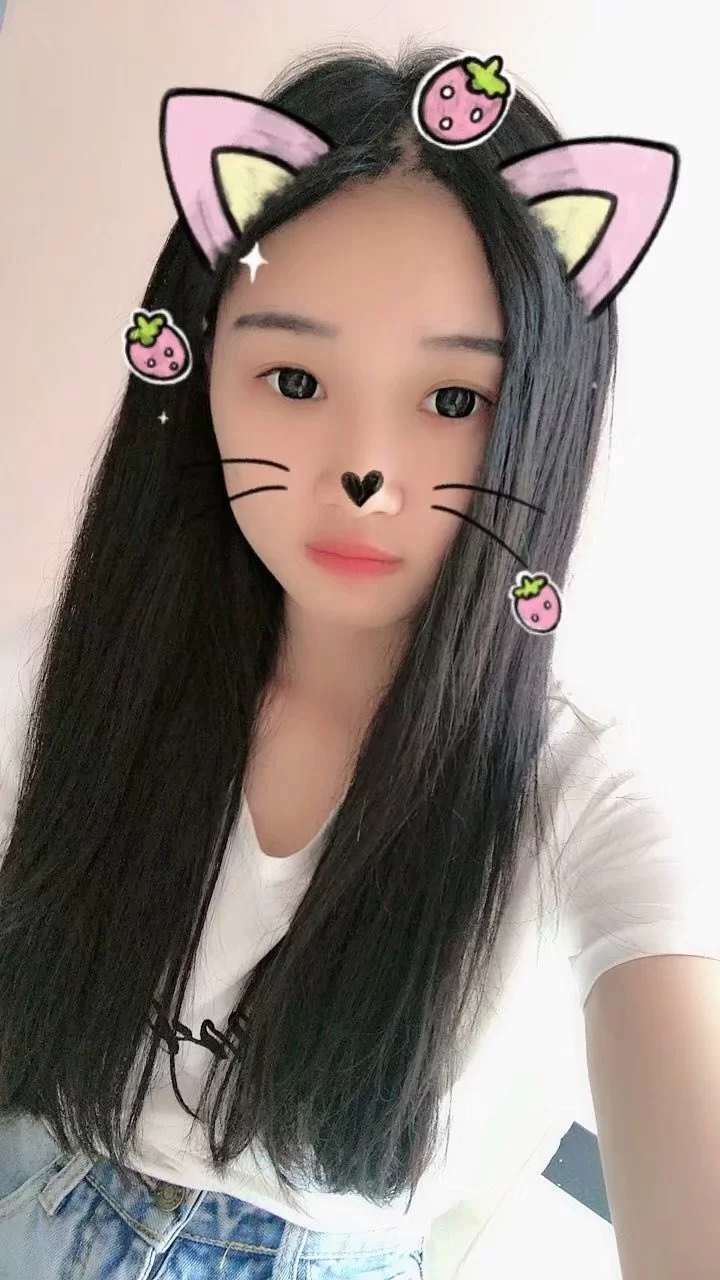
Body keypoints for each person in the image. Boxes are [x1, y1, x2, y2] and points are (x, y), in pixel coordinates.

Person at [0, 41, 713, 1280]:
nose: (364, 470)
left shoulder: (578, 795)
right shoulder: (67, 679)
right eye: (294, 377)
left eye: (453, 400)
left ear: (542, 414)